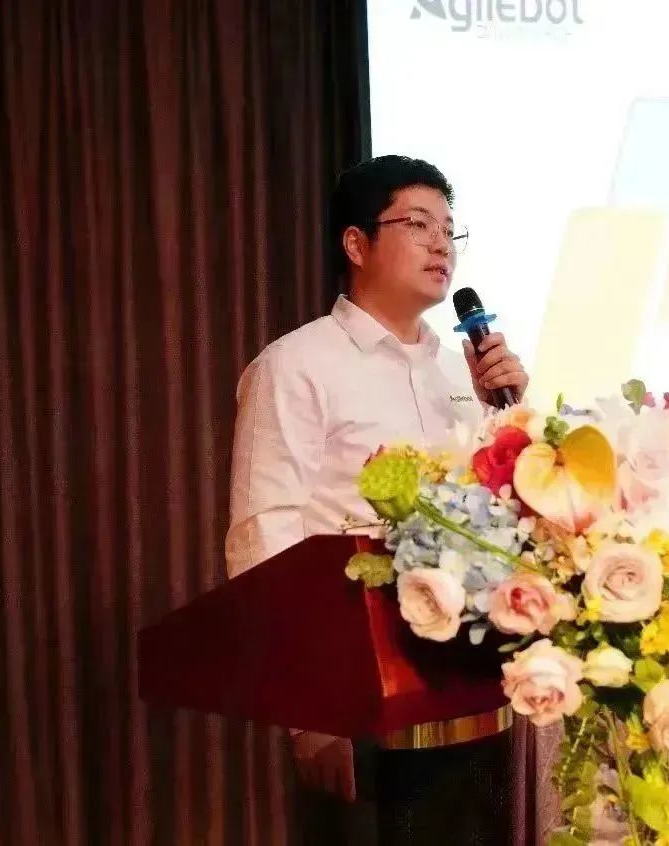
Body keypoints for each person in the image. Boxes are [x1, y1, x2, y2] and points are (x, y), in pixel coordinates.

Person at [225, 155, 529, 844]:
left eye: (449, 229)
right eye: (417, 224)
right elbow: (263, 537)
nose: (440, 244)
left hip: (472, 690)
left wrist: (506, 420)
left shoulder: (461, 373)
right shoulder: (296, 365)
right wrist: (308, 714)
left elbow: (499, 521)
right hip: (359, 697)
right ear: (356, 244)